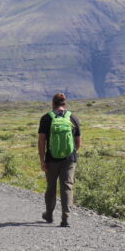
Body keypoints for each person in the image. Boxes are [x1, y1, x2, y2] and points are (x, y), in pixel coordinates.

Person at [38, 92, 82, 227]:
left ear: (53, 104)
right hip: (69, 158)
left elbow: (41, 141)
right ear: (65, 104)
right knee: (67, 187)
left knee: (51, 187)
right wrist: (71, 153)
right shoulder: (73, 118)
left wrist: (42, 159)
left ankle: (49, 215)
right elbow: (78, 142)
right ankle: (65, 218)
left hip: (51, 158)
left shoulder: (46, 118)